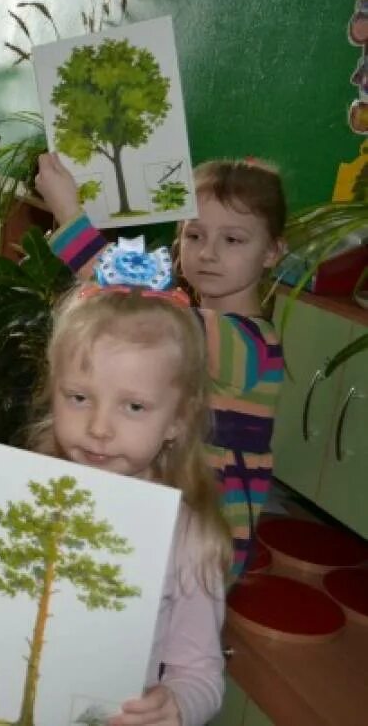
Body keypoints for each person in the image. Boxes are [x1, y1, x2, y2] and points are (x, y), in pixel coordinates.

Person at [0, 263, 231, 726]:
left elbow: (200, 672)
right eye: (79, 398)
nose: (100, 428)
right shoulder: (17, 499)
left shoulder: (189, 535)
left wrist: (177, 705)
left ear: (179, 419)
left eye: (134, 406)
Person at [37, 154, 286, 577]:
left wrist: (69, 213)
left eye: (233, 240)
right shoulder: (194, 324)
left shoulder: (250, 343)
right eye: (195, 235)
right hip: (161, 519)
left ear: (273, 252)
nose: (208, 252)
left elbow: (124, 291)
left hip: (203, 546)